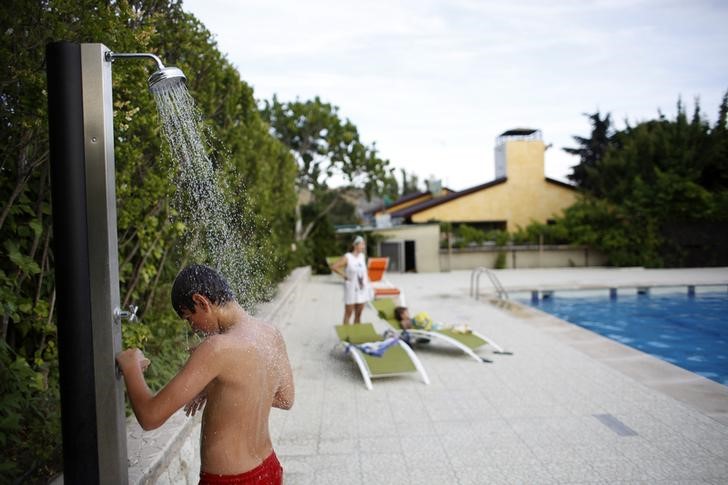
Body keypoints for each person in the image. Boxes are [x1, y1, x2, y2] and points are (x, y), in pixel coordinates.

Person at [116, 264, 294, 485]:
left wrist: (131, 367)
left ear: (201, 302)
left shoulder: (216, 348)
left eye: (190, 318)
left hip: (230, 481)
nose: (194, 328)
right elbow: (285, 399)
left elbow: (150, 416)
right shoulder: (271, 333)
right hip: (269, 470)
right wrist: (216, 388)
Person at [329, 235, 372, 324]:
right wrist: (344, 276)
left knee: (359, 314)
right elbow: (334, 267)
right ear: (355, 245)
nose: (363, 246)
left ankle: (357, 334)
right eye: (362, 244)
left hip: (362, 289)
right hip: (351, 289)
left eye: (364, 244)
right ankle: (346, 335)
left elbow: (363, 272)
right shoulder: (347, 257)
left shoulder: (362, 256)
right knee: (348, 313)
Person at [393, 306, 472, 334]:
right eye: (406, 312)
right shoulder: (404, 322)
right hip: (428, 329)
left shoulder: (408, 319)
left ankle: (460, 328)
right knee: (446, 329)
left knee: (444, 326)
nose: (408, 314)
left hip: (429, 326)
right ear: (402, 315)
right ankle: (461, 329)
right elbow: (409, 328)